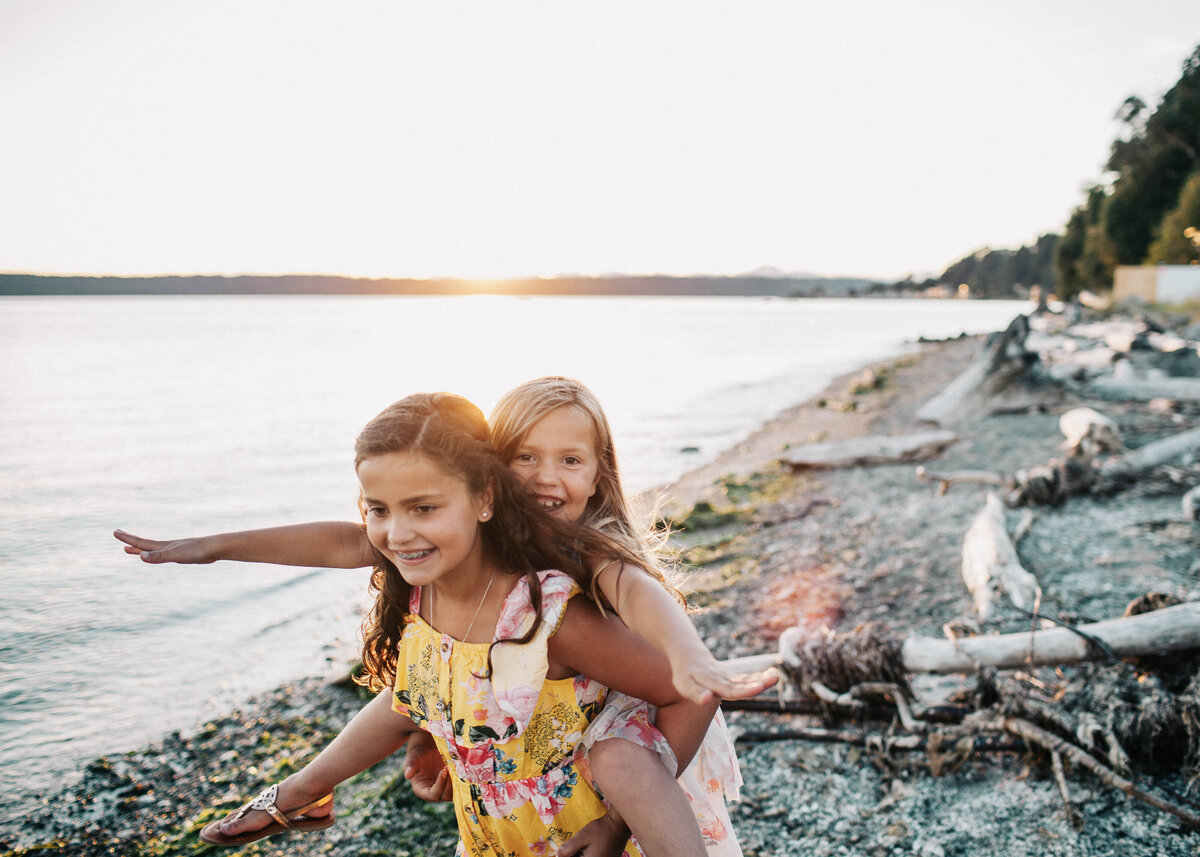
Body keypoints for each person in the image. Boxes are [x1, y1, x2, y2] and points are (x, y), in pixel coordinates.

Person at [116, 379, 774, 855]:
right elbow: (403, 664)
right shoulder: (430, 582)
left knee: (626, 760)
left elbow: (650, 619)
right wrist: (211, 547)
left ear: (484, 498)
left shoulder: (559, 592)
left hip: (601, 804)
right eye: (380, 508)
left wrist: (617, 820)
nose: (396, 534)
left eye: (425, 508)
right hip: (501, 829)